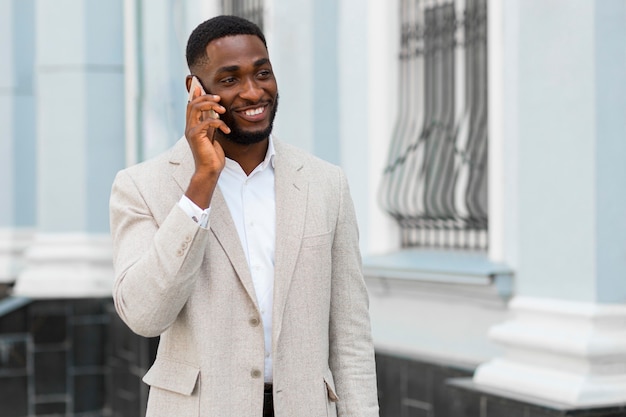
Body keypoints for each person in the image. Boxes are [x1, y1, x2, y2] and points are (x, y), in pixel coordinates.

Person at [109, 15, 379, 417]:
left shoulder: (327, 184)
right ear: (196, 90)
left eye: (262, 73)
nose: (253, 92)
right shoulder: (141, 187)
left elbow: (350, 336)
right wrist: (201, 184)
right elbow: (146, 315)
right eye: (230, 79)